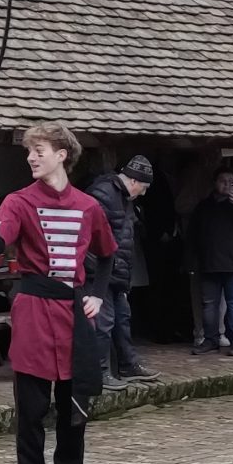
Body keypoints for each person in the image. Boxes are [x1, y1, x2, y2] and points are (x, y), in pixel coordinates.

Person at [0, 125, 118, 464]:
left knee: (74, 405)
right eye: (29, 152)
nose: (31, 158)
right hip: (34, 308)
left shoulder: (88, 206)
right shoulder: (18, 202)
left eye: (39, 150)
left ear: (61, 155)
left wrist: (98, 294)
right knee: (32, 408)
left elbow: (107, 254)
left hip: (73, 313)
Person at [85, 153, 158, 385]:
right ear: (134, 181)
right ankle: (100, 372)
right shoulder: (103, 194)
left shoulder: (124, 198)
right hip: (101, 273)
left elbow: (124, 239)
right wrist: (99, 270)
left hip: (117, 272)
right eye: (143, 187)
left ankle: (127, 365)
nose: (143, 193)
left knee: (122, 319)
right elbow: (90, 237)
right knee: (103, 323)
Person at [186, 168, 233, 356]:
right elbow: (192, 236)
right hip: (209, 263)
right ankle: (211, 340)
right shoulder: (204, 206)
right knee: (209, 304)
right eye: (222, 181)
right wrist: (191, 262)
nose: (227, 184)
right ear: (214, 183)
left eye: (230, 181)